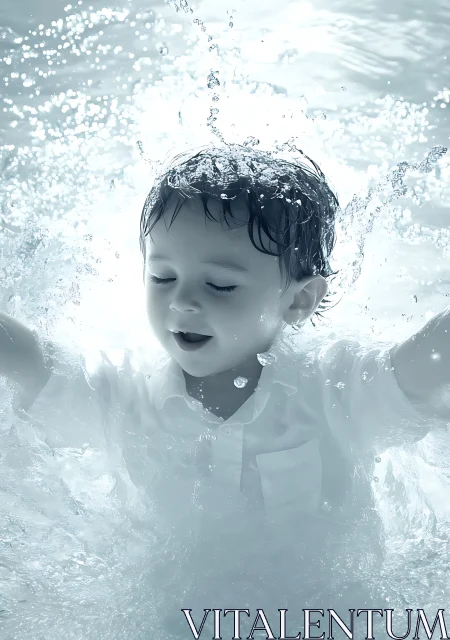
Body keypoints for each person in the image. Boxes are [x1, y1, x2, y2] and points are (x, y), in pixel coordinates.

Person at [1, 142, 449, 634]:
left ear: (298, 301)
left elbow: (423, 364)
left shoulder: (334, 388)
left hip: (329, 618)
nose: (183, 301)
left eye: (220, 286)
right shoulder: (127, 395)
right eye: (162, 276)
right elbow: (34, 365)